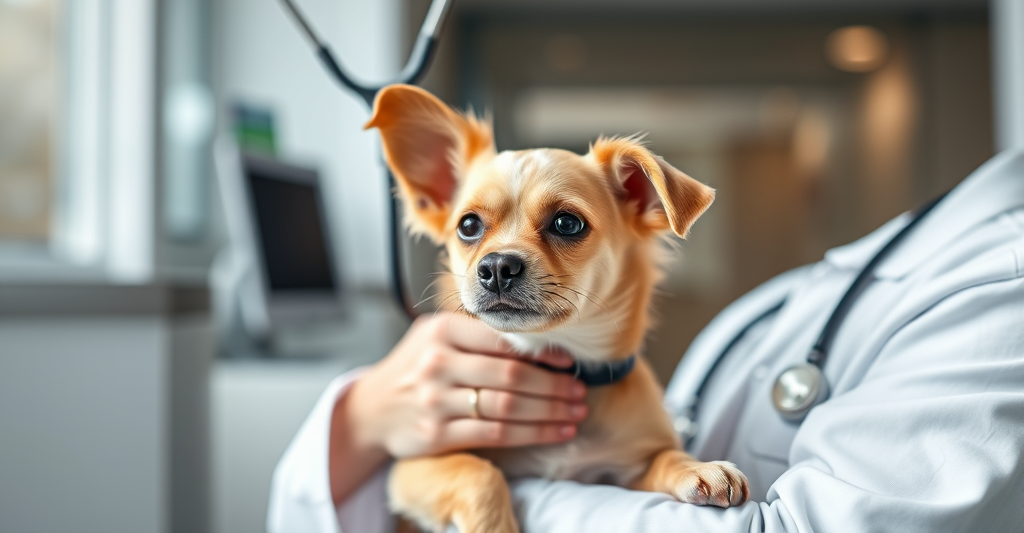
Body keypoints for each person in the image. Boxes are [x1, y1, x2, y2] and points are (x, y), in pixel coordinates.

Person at [268, 149, 1024, 533]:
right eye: (474, 228)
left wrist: (521, 499)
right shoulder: (821, 283)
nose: (501, 258)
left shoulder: (1000, 276)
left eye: (563, 225)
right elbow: (393, 486)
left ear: (642, 205)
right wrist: (366, 413)